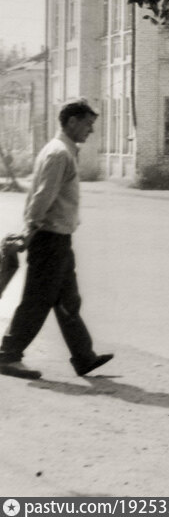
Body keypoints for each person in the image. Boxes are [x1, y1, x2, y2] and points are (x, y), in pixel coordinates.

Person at [0, 100, 114, 381]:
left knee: (68, 301)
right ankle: (8, 355)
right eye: (88, 124)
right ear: (72, 122)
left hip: (59, 239)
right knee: (37, 301)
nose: (91, 130)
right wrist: (30, 231)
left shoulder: (61, 151)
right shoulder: (59, 153)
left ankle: (84, 357)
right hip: (49, 239)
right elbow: (42, 196)